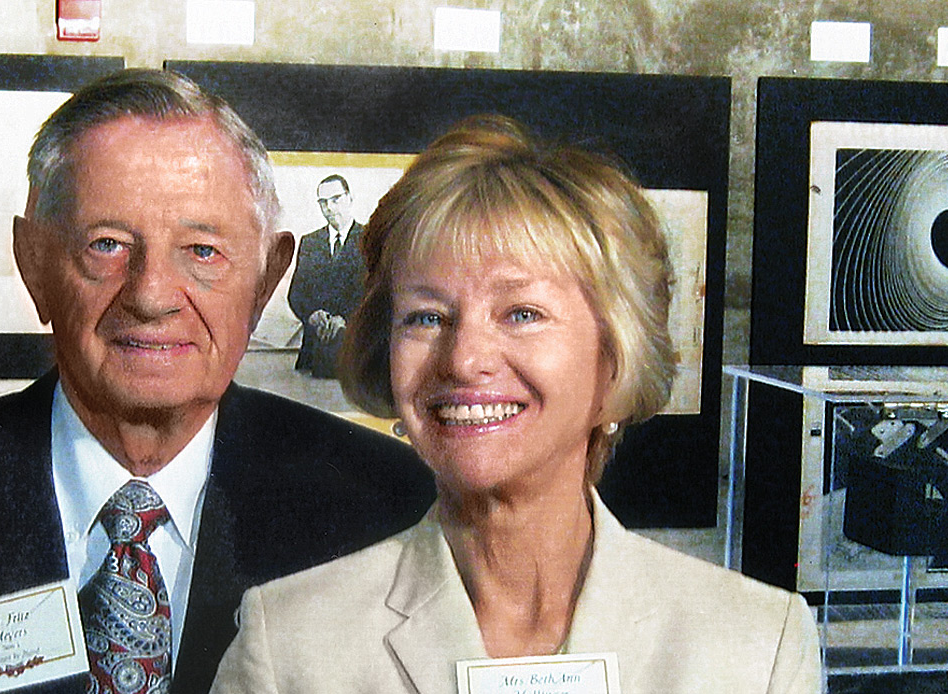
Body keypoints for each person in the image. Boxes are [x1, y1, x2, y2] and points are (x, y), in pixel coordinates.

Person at [0, 69, 434, 694]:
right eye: (107, 244)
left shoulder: (386, 509)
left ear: (266, 279)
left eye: (202, 251)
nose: (153, 294)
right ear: (33, 263)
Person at [210, 115, 823, 694]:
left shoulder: (755, 649)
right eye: (428, 317)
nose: (463, 359)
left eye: (522, 313)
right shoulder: (291, 647)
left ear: (615, 359)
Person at [286, 174, 367, 378]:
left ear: (349, 198)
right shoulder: (309, 242)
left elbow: (377, 293)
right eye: (323, 202)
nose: (329, 208)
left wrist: (346, 319)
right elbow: (296, 294)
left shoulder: (371, 239)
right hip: (313, 356)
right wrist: (311, 314)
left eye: (335, 200)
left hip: (356, 356)